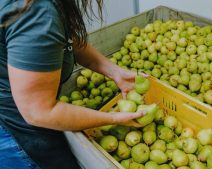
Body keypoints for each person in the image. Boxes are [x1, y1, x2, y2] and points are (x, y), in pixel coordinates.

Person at [0, 0, 146, 168]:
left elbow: (63, 38)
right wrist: (113, 118)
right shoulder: (36, 12)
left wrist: (115, 72)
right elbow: (39, 111)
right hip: (13, 126)